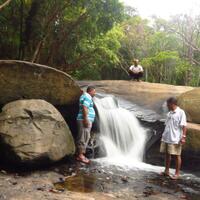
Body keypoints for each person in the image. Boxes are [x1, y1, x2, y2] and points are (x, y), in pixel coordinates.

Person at [160, 97, 187, 180]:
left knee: (177, 155)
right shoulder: (169, 113)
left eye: (168, 104)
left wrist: (183, 137)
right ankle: (166, 171)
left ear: (172, 104)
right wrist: (163, 136)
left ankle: (177, 173)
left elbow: (184, 126)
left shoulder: (180, 112)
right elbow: (167, 125)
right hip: (166, 138)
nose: (167, 106)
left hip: (175, 138)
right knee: (167, 154)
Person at [76, 86, 96, 164]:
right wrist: (86, 119)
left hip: (83, 119)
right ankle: (80, 156)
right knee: (83, 137)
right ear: (90, 91)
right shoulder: (87, 96)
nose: (95, 93)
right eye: (94, 91)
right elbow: (85, 107)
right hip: (84, 119)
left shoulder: (84, 96)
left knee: (84, 136)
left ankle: (80, 155)